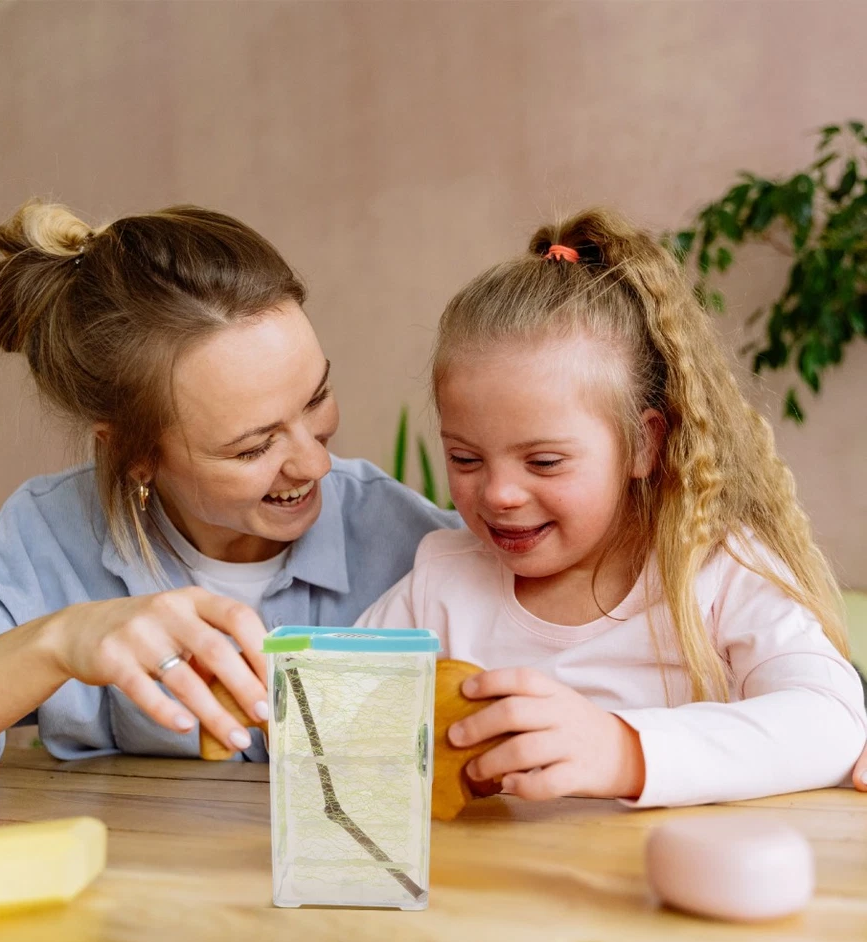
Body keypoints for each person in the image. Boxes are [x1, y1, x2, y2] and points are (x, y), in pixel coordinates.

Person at [0, 200, 460, 778]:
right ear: (136, 455)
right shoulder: (50, 539)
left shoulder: (415, 547)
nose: (316, 463)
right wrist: (62, 641)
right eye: (254, 447)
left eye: (317, 398)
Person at [359, 208, 867, 808]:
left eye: (544, 462)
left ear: (644, 444)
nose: (498, 494)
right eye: (465, 459)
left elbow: (828, 721)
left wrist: (624, 750)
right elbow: (332, 716)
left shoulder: (720, 570)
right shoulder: (441, 582)